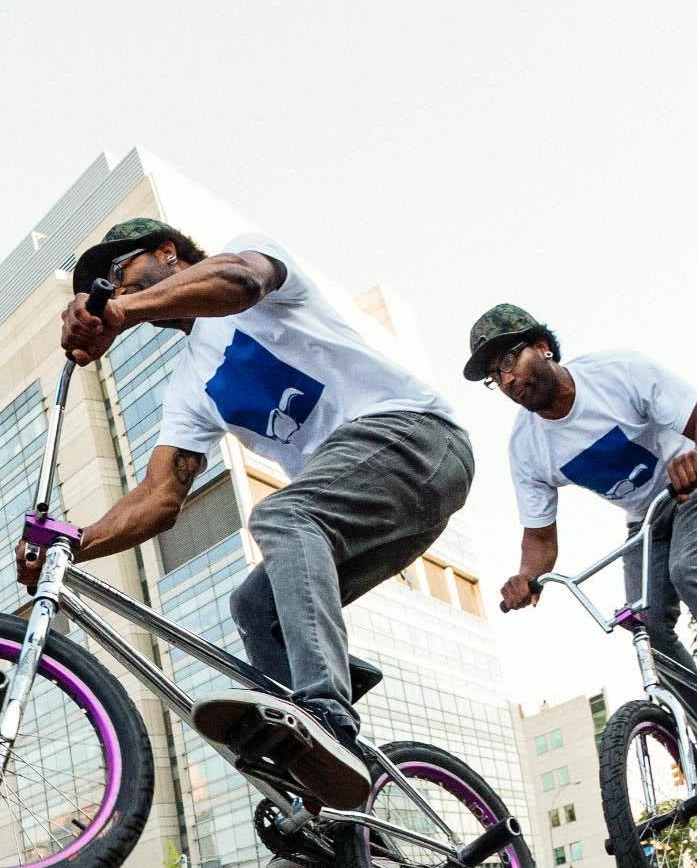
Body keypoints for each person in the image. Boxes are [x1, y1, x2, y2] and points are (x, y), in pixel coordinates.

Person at [53, 217, 475, 834]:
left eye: (116, 276)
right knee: (255, 604)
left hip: (416, 439)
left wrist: (121, 308)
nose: (111, 293)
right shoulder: (190, 388)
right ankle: (334, 815)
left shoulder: (248, 261)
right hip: (383, 508)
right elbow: (159, 496)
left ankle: (325, 713)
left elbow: (240, 281)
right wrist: (73, 546)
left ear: (167, 253)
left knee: (282, 514)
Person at [470, 305, 697, 782]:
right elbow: (541, 538)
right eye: (493, 377)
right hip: (646, 522)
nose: (505, 381)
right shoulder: (526, 446)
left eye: (508, 361)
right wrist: (526, 576)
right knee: (644, 623)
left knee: (690, 572)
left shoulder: (617, 373)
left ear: (542, 347)